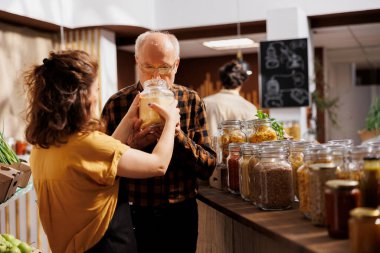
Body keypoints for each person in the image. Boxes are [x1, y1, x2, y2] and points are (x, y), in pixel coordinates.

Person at [24, 50, 180, 253]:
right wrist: (170, 121)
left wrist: (131, 114)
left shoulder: (43, 147)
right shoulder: (87, 144)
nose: (97, 96)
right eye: (95, 89)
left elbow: (104, 155)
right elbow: (158, 164)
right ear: (81, 97)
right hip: (105, 246)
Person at [101, 31, 216, 253]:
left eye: (164, 68)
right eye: (147, 67)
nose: (156, 77)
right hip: (130, 211)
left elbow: (207, 167)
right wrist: (132, 146)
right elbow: (102, 170)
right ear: (136, 63)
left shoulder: (190, 100)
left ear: (176, 66)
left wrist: (177, 137)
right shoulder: (117, 104)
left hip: (179, 211)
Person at [203, 60, 258, 137]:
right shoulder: (249, 108)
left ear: (222, 80)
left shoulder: (204, 102)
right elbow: (252, 138)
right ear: (241, 82)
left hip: (203, 149)